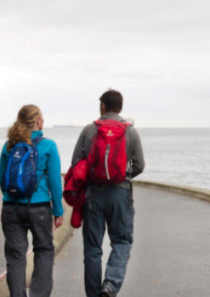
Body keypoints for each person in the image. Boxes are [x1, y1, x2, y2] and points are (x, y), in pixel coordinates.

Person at [71, 89, 145, 297]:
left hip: (93, 194)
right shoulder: (130, 132)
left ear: (103, 105)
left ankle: (94, 294)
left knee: (93, 248)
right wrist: (123, 174)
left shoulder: (89, 130)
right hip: (120, 193)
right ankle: (110, 286)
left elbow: (76, 162)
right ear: (120, 107)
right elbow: (139, 164)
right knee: (121, 241)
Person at [0, 104, 64, 297]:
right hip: (39, 208)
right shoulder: (48, 146)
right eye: (42, 117)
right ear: (37, 121)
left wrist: (11, 196)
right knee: (43, 250)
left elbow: (2, 178)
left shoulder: (8, 145)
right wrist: (58, 211)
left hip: (10, 207)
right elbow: (54, 182)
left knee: (16, 256)